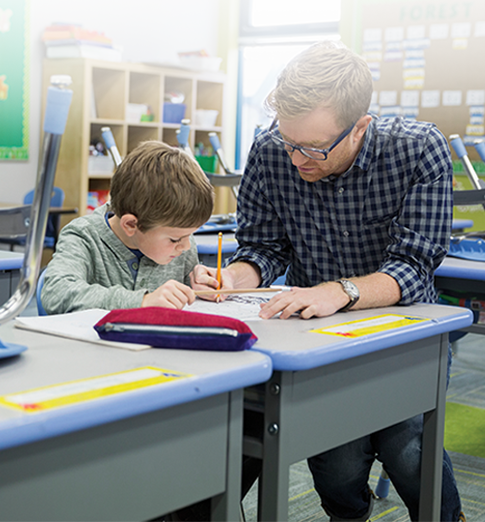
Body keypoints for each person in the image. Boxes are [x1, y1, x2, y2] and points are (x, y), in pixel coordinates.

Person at [193, 40, 466, 522]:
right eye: (288, 142)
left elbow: (414, 265)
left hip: (405, 329)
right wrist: (231, 276)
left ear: (360, 127)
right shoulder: (270, 150)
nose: (297, 160)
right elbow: (264, 248)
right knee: (336, 464)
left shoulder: (420, 149)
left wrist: (339, 292)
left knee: (407, 450)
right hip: (316, 332)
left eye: (314, 148)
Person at [41, 140, 214, 314]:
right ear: (131, 224)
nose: (187, 246)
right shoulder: (83, 236)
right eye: (175, 239)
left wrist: (199, 285)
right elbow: (56, 293)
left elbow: (186, 302)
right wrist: (142, 301)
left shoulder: (179, 240)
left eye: (190, 235)